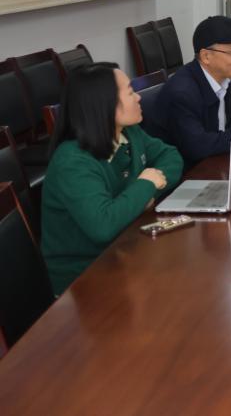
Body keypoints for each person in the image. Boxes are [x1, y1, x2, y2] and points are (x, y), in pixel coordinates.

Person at [42, 63, 184, 295]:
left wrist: (145, 194)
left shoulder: (129, 132)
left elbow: (171, 157)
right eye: (130, 92)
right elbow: (103, 226)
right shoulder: (72, 161)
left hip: (128, 246)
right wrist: (145, 186)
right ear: (105, 105)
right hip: (85, 279)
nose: (138, 97)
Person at [148, 16, 231, 166]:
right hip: (184, 173)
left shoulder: (225, 81)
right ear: (206, 56)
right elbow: (198, 146)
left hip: (213, 163)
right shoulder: (182, 93)